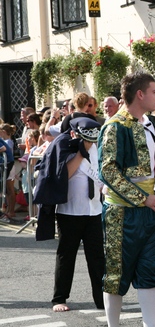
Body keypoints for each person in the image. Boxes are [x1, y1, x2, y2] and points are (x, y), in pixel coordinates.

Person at [98, 72, 155, 327]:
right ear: (140, 94)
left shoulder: (150, 123)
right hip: (121, 212)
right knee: (116, 273)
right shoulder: (114, 126)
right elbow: (107, 171)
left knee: (149, 271)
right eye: (154, 91)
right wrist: (144, 198)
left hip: (148, 210)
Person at [50, 119, 105, 312]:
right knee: (67, 255)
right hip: (70, 211)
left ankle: (102, 299)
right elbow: (65, 174)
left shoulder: (100, 148)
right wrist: (82, 151)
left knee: (97, 257)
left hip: (94, 209)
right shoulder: (66, 146)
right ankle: (59, 298)